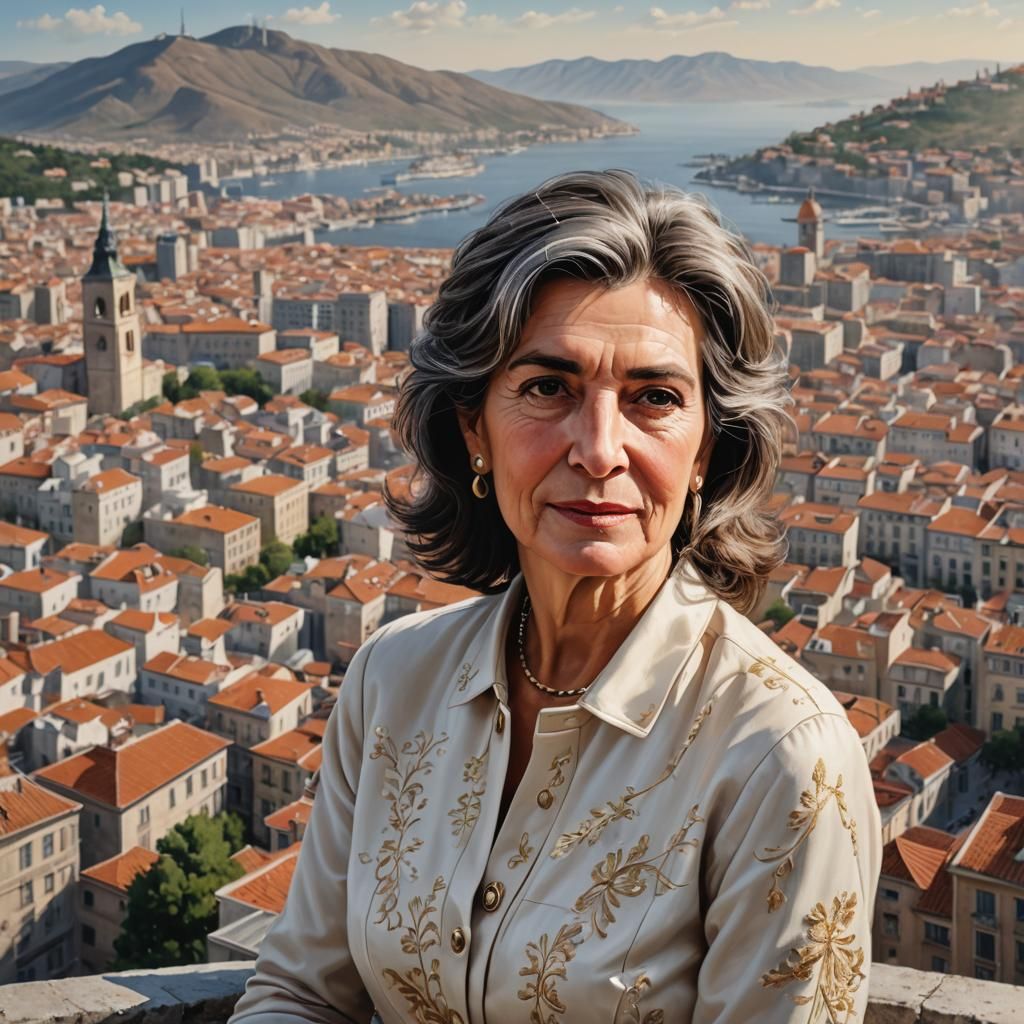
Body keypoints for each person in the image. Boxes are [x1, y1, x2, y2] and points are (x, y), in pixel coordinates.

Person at [228, 168, 882, 1024]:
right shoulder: (394, 680)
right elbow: (301, 993)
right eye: (548, 388)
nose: (599, 447)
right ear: (474, 429)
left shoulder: (781, 759)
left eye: (654, 398)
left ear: (706, 454)